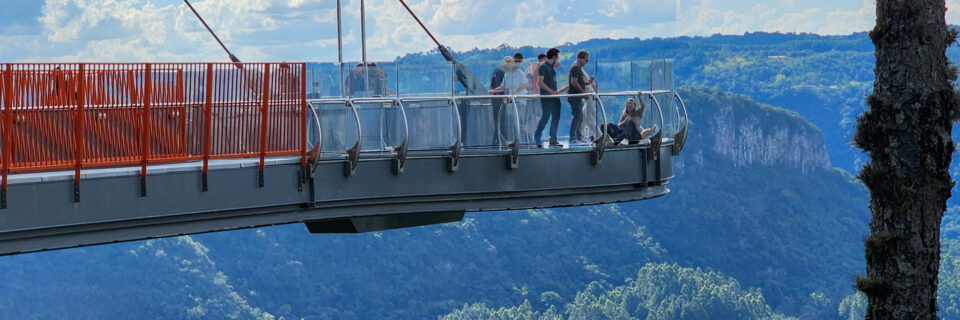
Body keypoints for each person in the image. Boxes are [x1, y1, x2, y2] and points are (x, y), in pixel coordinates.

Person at [534, 48, 569, 148]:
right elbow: (540, 82)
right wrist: (550, 91)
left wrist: (554, 92)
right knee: (545, 117)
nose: (558, 59)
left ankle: (553, 139)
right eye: (557, 56)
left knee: (556, 116)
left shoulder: (550, 67)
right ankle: (537, 137)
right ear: (554, 57)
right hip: (547, 96)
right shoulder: (544, 67)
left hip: (554, 96)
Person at [567, 50, 593, 145]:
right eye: (586, 60)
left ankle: (578, 137)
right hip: (575, 97)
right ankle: (573, 138)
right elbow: (574, 82)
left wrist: (587, 83)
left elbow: (579, 82)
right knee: (577, 116)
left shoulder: (578, 69)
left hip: (578, 97)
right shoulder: (576, 68)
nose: (586, 62)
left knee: (580, 117)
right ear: (581, 59)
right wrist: (583, 93)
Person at [488, 57, 510, 145]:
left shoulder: (497, 71)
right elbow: (501, 87)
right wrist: (493, 94)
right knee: (501, 121)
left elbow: (492, 86)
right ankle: (500, 139)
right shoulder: (504, 73)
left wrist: (492, 94)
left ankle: (497, 139)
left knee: (498, 120)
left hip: (498, 99)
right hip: (501, 100)